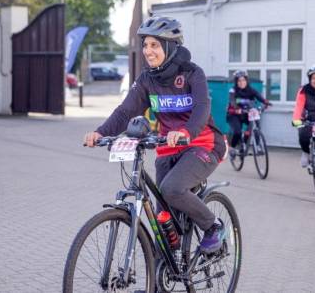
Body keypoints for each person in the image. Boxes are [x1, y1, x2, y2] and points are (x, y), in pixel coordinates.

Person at [83, 16, 227, 254]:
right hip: (167, 148)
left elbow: (202, 109)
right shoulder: (147, 79)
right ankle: (162, 279)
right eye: (145, 45)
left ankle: (213, 227)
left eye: (154, 45)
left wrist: (186, 132)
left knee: (172, 189)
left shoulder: (192, 73)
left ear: (170, 47)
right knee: (162, 220)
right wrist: (101, 133)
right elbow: (125, 112)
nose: (147, 51)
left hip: (203, 145)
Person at [226, 70, 271, 156]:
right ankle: (233, 147)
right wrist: (236, 108)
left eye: (243, 80)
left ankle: (257, 146)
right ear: (236, 82)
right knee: (237, 132)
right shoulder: (233, 90)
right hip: (234, 114)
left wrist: (266, 102)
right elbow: (232, 101)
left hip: (246, 113)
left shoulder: (250, 90)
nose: (241, 83)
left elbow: (259, 96)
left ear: (246, 81)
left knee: (256, 126)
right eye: (239, 81)